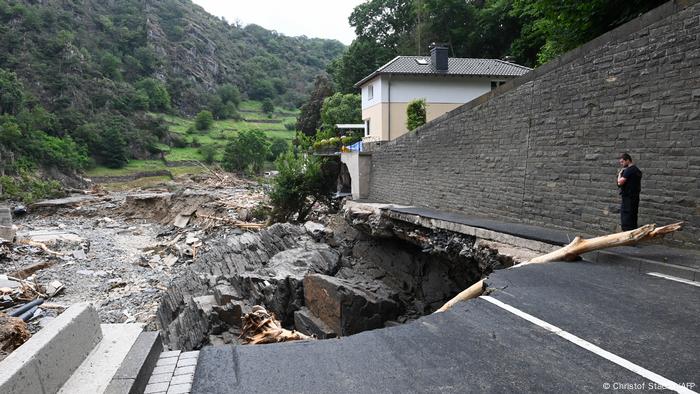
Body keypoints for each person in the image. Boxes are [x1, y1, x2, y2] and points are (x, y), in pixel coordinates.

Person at [617, 153, 642, 231]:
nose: (621, 164)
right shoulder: (637, 170)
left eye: (622, 162)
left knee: (626, 217)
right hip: (635, 197)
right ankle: (633, 236)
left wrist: (620, 174)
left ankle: (627, 237)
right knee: (633, 216)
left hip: (628, 198)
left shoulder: (628, 170)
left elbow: (620, 182)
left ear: (627, 160)